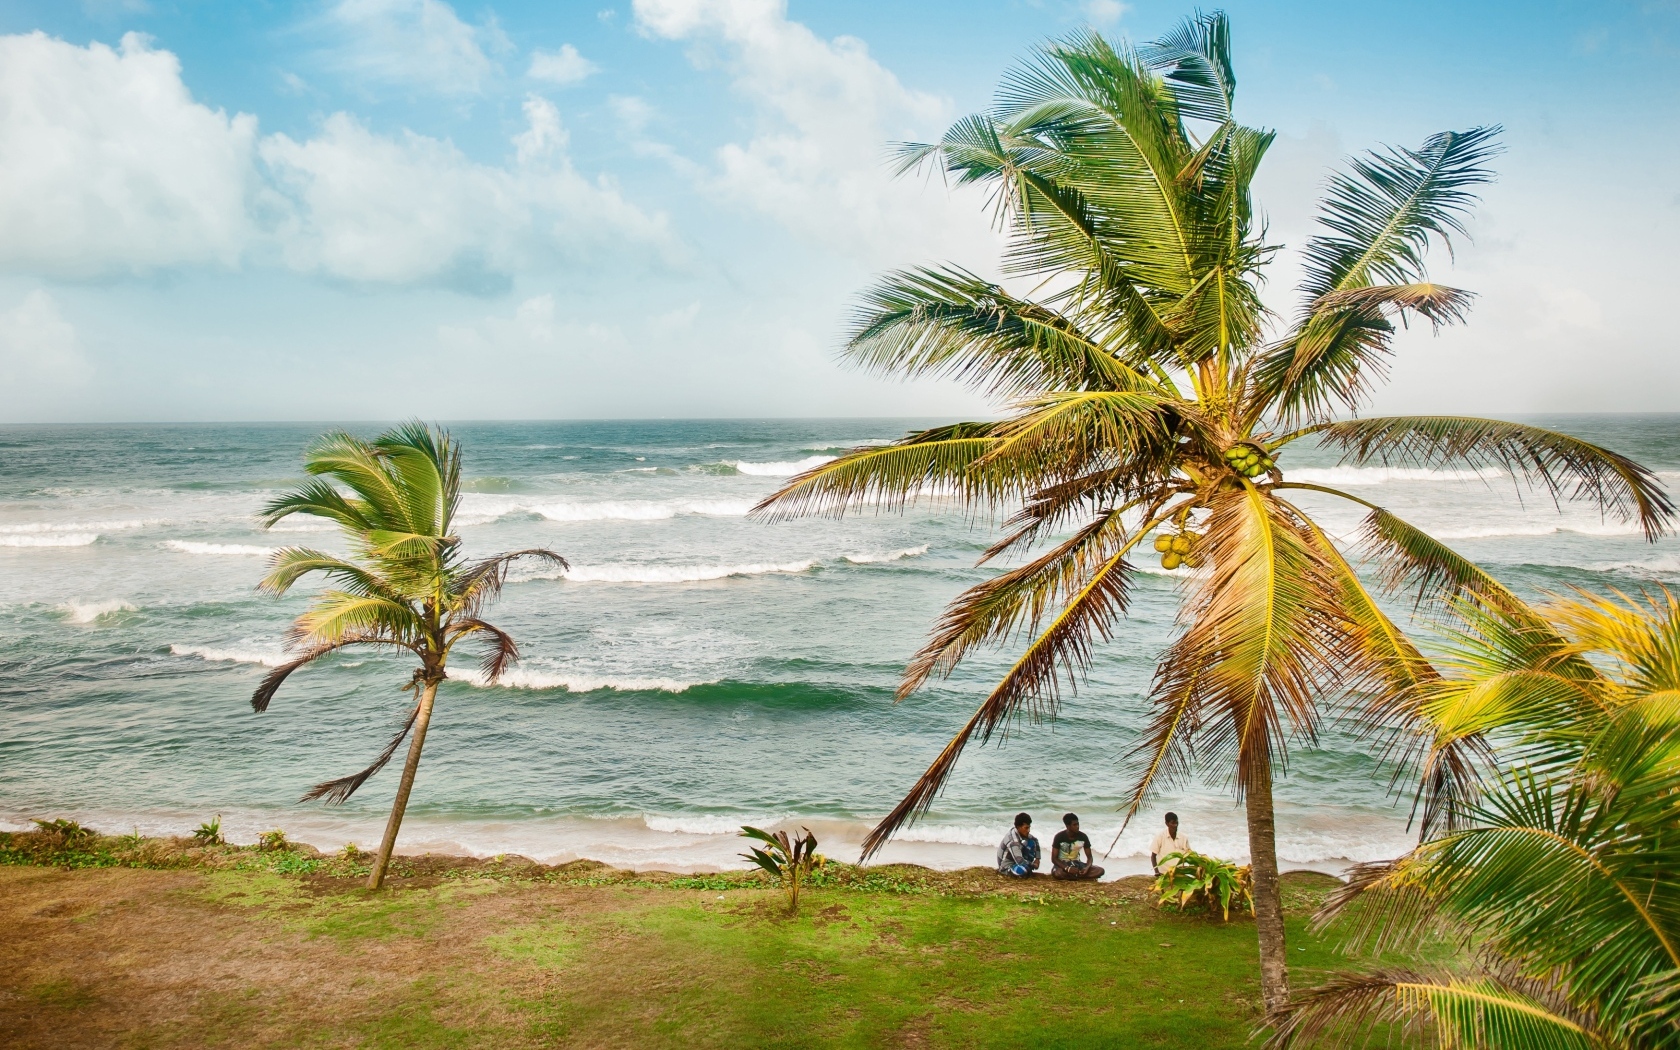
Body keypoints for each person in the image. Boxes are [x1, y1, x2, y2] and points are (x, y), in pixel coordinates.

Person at [1050, 813, 1104, 880]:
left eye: (1078, 824)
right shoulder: (1059, 837)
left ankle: (1075, 876)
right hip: (1063, 865)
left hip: (1077, 863)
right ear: (1068, 826)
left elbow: (1089, 857)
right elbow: (1054, 859)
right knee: (1058, 873)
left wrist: (1086, 868)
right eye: (1074, 825)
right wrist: (1067, 868)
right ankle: (1078, 876)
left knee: (1100, 871)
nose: (1077, 826)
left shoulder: (1083, 837)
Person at [996, 812, 1040, 878]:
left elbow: (1035, 840)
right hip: (1007, 865)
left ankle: (1027, 868)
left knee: (1031, 842)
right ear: (1019, 827)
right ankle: (1015, 871)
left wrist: (1037, 859)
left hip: (1016, 860)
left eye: (1029, 827)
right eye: (1026, 828)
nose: (1029, 830)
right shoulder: (1013, 840)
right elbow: (1020, 861)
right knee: (1023, 870)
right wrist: (1033, 865)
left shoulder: (1020, 833)